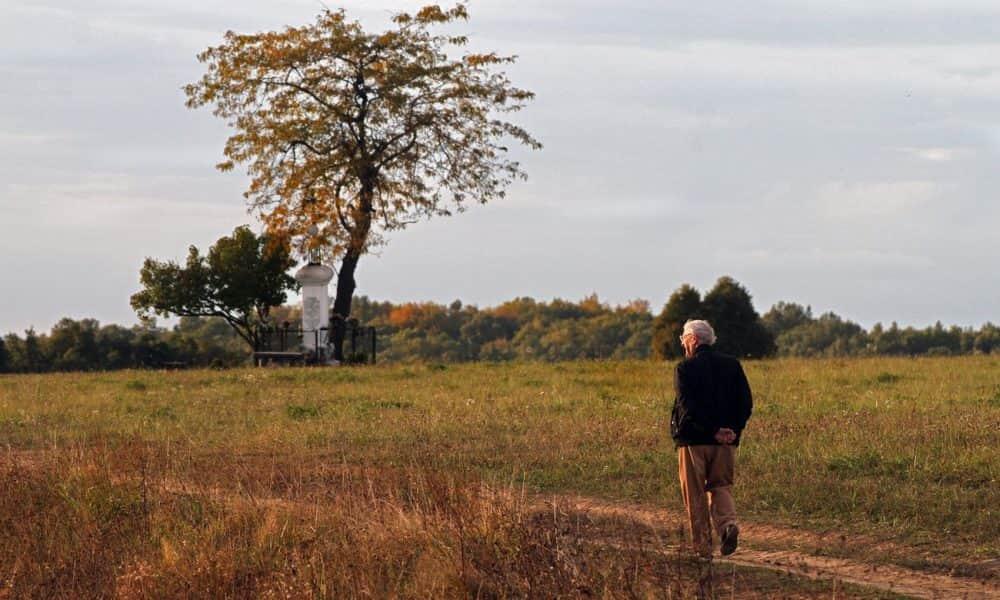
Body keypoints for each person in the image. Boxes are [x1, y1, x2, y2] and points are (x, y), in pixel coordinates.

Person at [670, 319, 753, 558]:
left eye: (684, 338)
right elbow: (745, 403)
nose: (683, 343)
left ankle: (703, 549)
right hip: (726, 442)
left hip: (694, 442)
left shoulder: (684, 369)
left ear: (693, 340)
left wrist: (711, 430)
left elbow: (688, 408)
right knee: (721, 487)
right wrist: (732, 429)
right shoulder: (733, 365)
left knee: (695, 494)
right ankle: (728, 526)